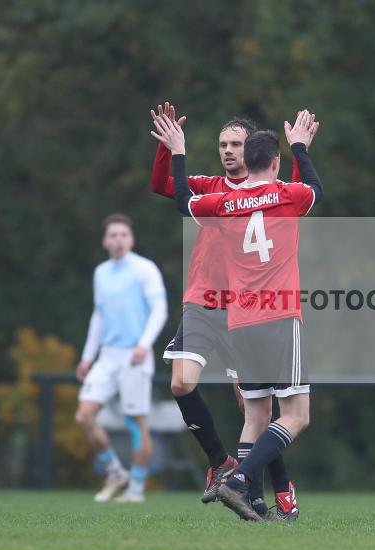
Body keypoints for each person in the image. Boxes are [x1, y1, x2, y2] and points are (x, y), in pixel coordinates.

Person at [149, 103, 316, 519]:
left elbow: (182, 201)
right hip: (237, 307)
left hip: (239, 313)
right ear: (273, 160)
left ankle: (272, 492)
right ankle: (239, 479)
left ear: (250, 153)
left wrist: (177, 149)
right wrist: (301, 150)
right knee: (282, 412)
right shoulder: (244, 191)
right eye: (222, 144)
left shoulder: (219, 202)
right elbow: (308, 192)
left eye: (236, 144)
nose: (227, 151)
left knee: (255, 410)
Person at [75, 213, 168, 503]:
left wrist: (143, 345)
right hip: (107, 357)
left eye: (123, 235)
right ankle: (115, 471)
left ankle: (136, 490)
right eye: (113, 235)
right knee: (84, 416)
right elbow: (99, 316)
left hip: (134, 357)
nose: (118, 240)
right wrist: (87, 356)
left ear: (131, 239)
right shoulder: (101, 273)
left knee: (135, 422)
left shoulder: (144, 269)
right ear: (105, 241)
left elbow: (159, 310)